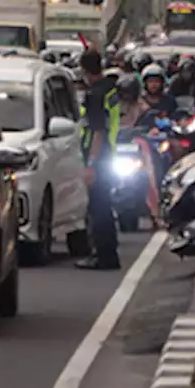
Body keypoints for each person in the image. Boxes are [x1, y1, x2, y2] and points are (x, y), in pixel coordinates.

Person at [77, 50, 121, 271]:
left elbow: (97, 131)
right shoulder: (109, 89)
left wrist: (91, 165)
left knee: (98, 209)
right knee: (104, 207)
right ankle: (109, 253)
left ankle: (103, 257)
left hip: (99, 157)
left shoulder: (95, 95)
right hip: (109, 154)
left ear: (85, 70)